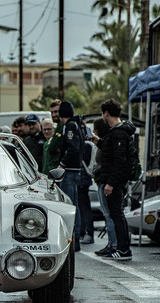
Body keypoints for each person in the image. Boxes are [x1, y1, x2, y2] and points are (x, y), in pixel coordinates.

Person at [96, 99, 135, 260]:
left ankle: (124, 249)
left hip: (115, 182)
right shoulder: (116, 132)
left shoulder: (118, 133)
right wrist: (99, 142)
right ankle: (122, 248)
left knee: (117, 215)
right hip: (114, 180)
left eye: (103, 113)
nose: (102, 116)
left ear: (106, 113)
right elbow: (112, 153)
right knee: (117, 214)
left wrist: (110, 183)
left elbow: (119, 161)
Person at [58, 100, 85, 252]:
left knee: (69, 206)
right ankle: (76, 241)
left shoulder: (70, 126)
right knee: (75, 205)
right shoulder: (78, 125)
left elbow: (72, 147)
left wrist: (62, 163)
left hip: (70, 170)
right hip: (76, 170)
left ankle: (73, 242)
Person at [91, 118, 118, 256]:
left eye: (95, 129)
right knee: (110, 214)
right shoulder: (106, 143)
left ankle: (113, 244)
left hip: (104, 182)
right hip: (104, 181)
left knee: (108, 215)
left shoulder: (106, 145)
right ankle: (112, 244)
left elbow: (102, 164)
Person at [79, 132, 97, 245]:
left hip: (82, 179)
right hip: (84, 179)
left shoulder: (85, 145)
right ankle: (85, 232)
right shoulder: (88, 144)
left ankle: (87, 233)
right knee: (83, 207)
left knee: (84, 207)